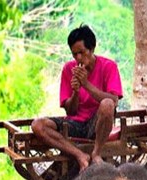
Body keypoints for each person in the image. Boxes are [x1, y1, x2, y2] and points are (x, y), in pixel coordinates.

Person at [31, 25, 123, 171]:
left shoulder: (108, 66)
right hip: (76, 123)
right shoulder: (69, 69)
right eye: (74, 54)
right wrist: (75, 92)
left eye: (81, 52)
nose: (78, 58)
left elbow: (114, 100)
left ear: (92, 49)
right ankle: (80, 155)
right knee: (38, 125)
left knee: (107, 104)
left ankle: (97, 153)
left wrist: (86, 84)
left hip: (97, 123)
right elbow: (71, 112)